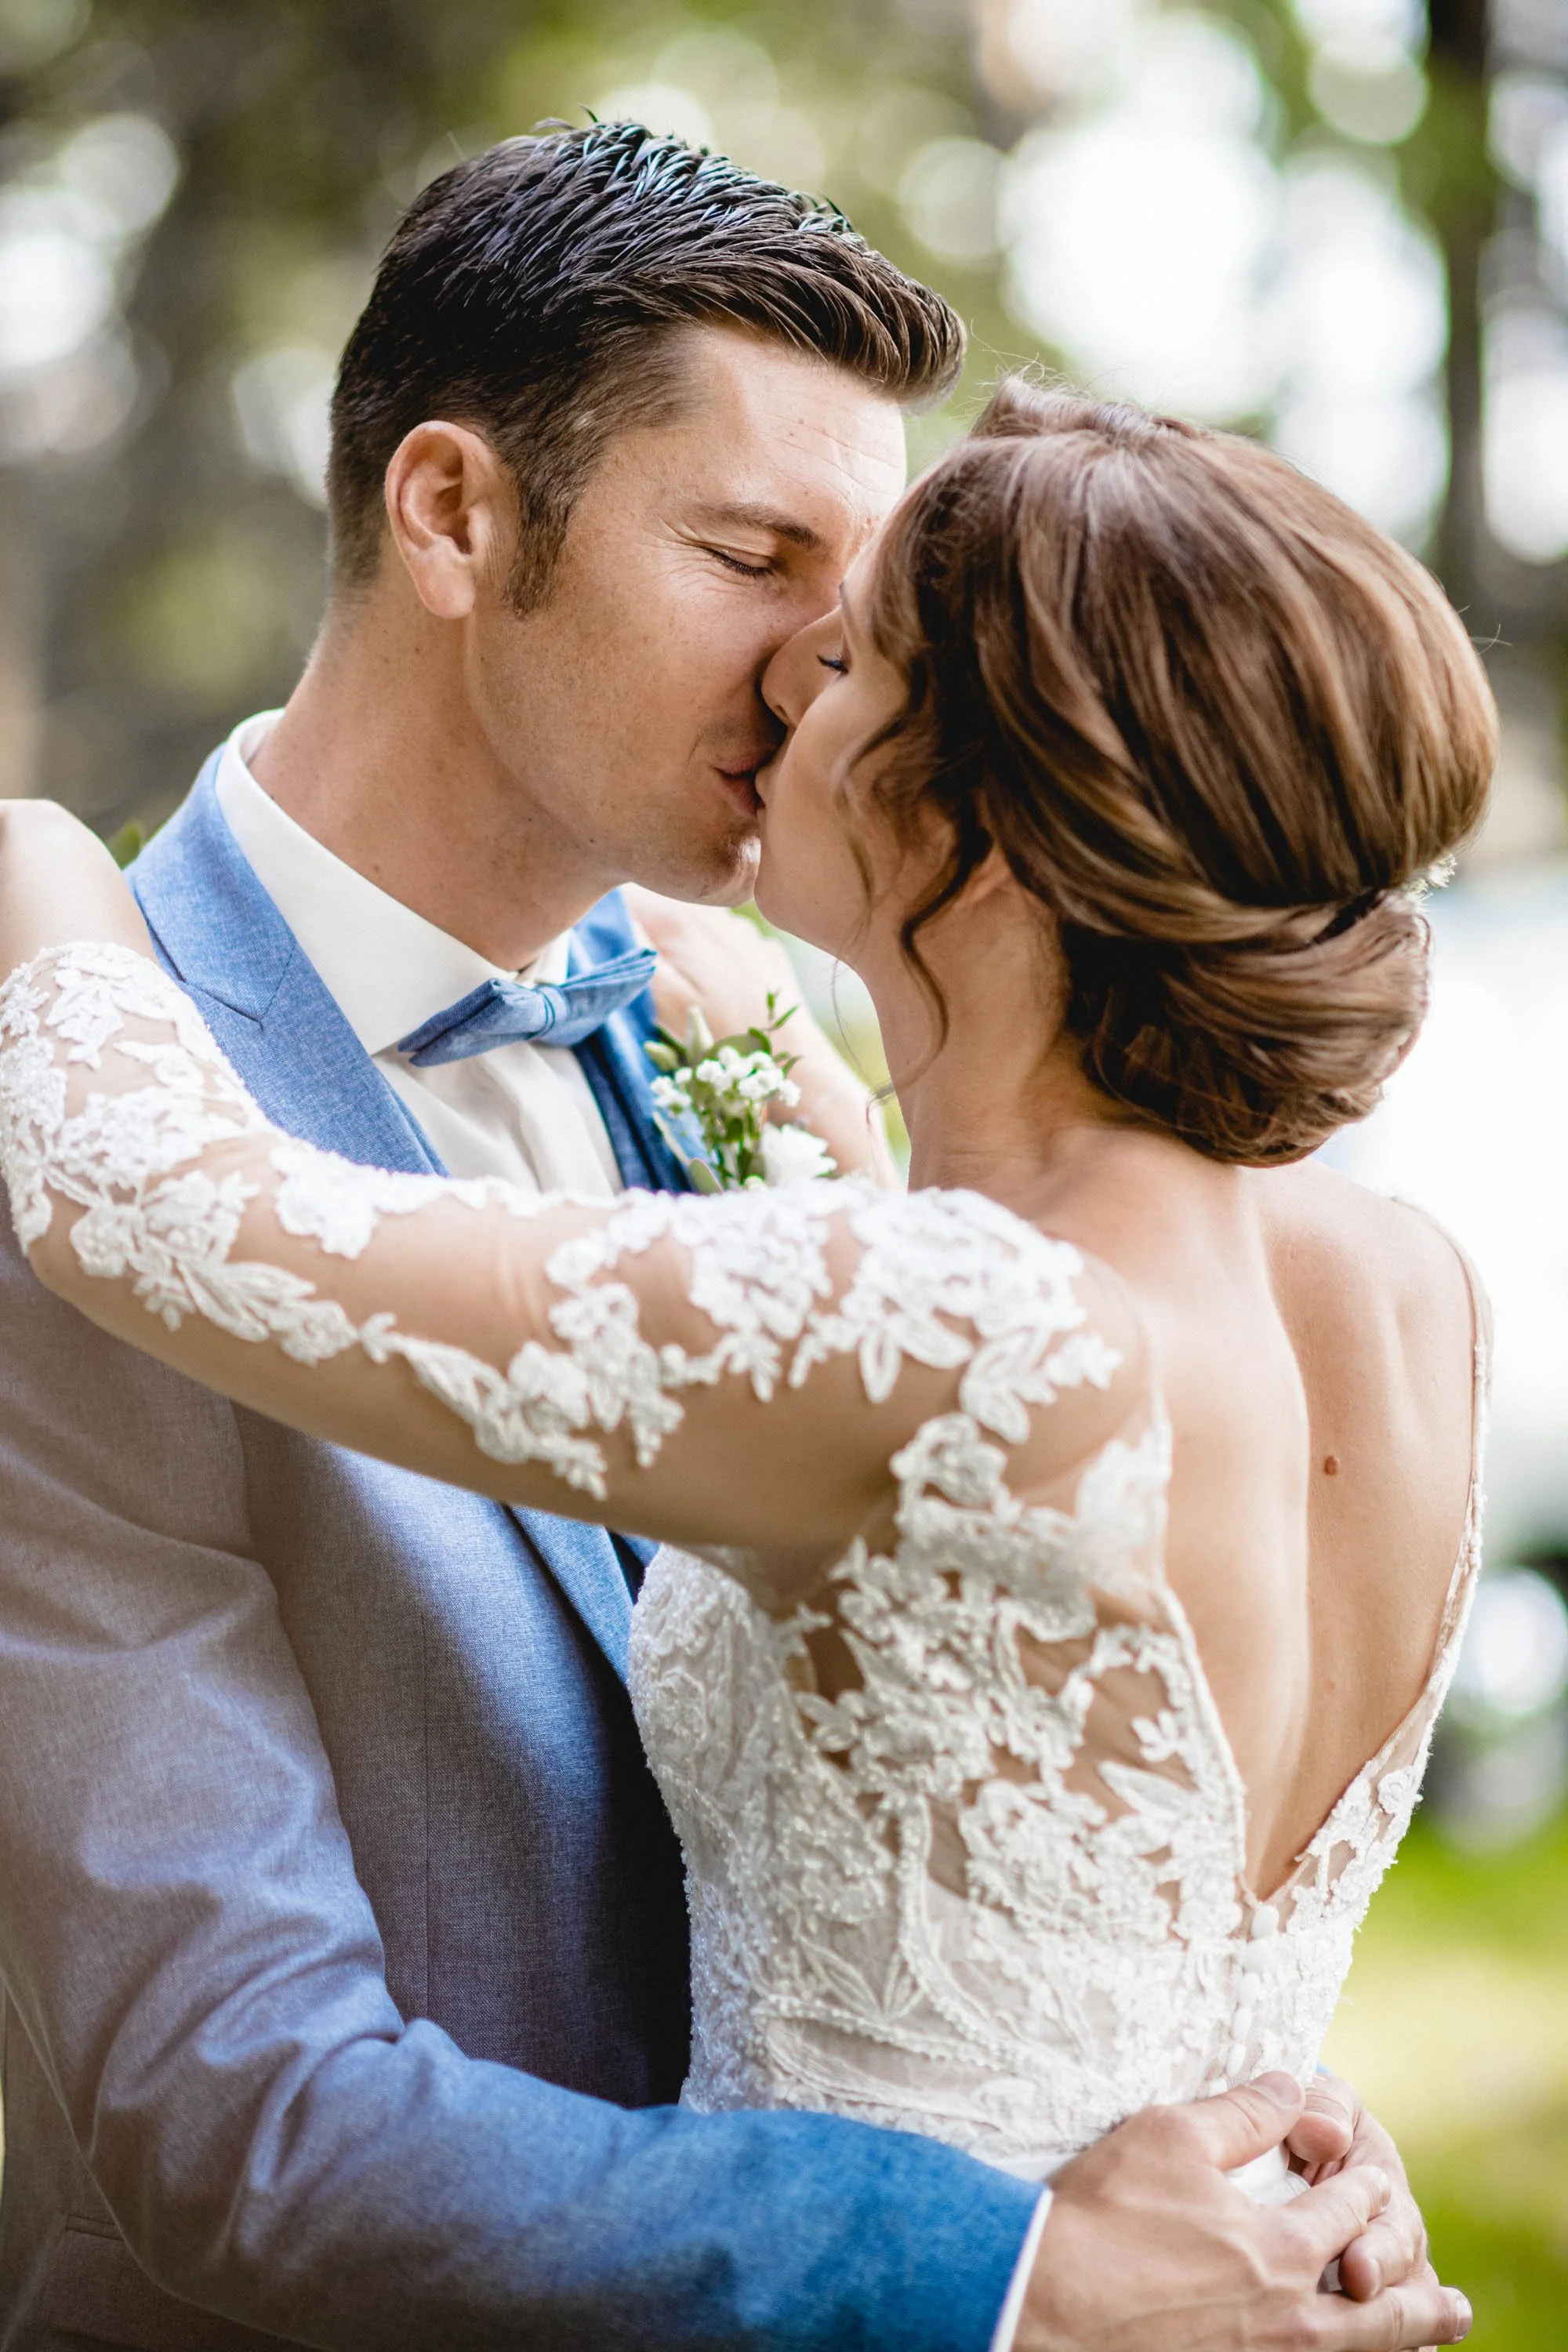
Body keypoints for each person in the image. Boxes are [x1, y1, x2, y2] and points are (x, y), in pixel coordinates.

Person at [0, 193, 1486, 2352]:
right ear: (449, 517)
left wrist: (29, 855)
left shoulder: (900, 1231)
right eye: (753, 561)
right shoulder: (1377, 1278)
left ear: (1007, 809)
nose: (811, 670)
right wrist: (1117, 2239)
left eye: (868, 625)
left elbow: (162, 1207)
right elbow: (243, 2121)